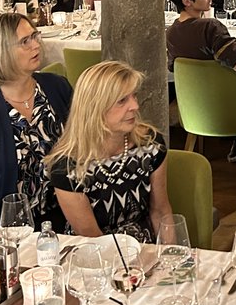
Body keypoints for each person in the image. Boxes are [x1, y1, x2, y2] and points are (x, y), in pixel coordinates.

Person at [0, 13, 72, 229]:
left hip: (66, 216)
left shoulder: (57, 87)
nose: (36, 45)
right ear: (0, 52)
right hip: (10, 228)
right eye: (25, 41)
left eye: (35, 36)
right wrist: (3, 241)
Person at [47, 61, 169, 241]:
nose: (135, 106)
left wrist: (168, 254)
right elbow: (91, 238)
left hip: (146, 246)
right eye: (122, 101)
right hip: (95, 251)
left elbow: (160, 212)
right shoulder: (67, 168)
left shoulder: (150, 144)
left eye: (134, 96)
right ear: (95, 108)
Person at [166, 0, 236, 72]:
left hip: (188, 82)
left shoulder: (170, 32)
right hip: (220, 81)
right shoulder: (210, 27)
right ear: (187, 1)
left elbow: (173, 68)